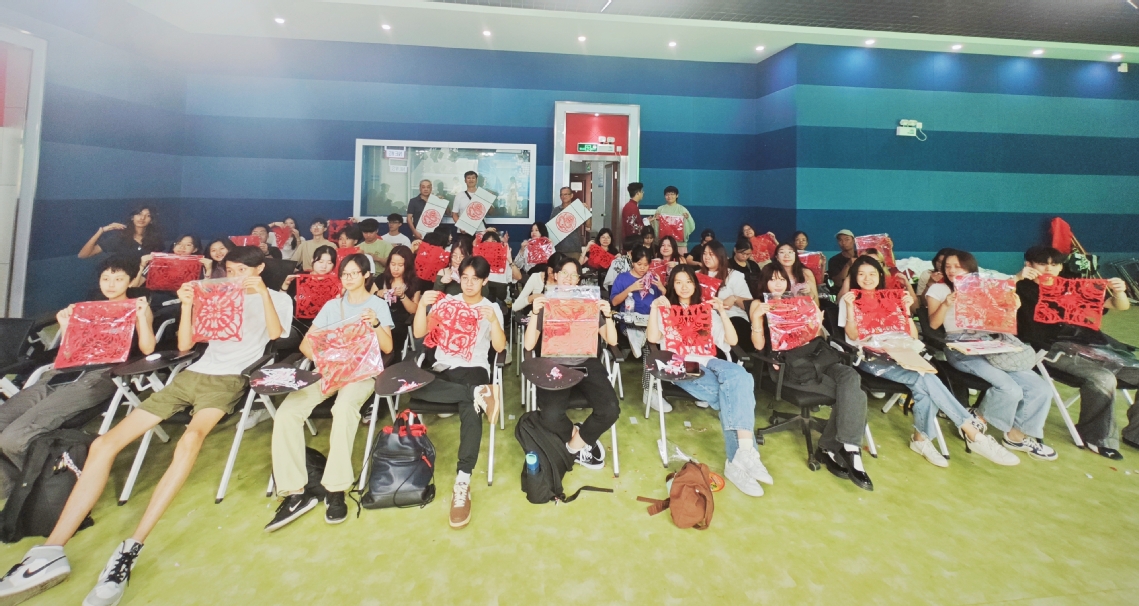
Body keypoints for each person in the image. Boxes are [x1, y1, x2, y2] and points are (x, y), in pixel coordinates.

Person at [0, 246, 292, 605]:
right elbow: (185, 344)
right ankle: (50, 550)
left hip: (228, 379)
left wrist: (262, 293)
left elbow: (277, 335)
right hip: (192, 374)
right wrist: (189, 305)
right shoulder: (217, 293)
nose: (233, 276)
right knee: (103, 444)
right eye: (229, 270)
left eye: (241, 270)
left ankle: (131, 547)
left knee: (190, 440)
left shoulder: (278, 298)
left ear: (259, 268)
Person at [838, 256, 1018, 468]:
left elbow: (912, 336)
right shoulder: (849, 299)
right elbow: (853, 335)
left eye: (872, 274)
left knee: (924, 384)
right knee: (924, 378)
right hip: (870, 356)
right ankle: (972, 433)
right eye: (861, 274)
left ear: (880, 276)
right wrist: (850, 307)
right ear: (855, 277)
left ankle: (922, 439)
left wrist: (905, 310)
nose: (867, 278)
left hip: (900, 352)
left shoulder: (890, 298)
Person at [0, 257, 156, 490]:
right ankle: (11, 486)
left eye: (118, 279)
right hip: (62, 374)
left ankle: (41, 490)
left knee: (13, 438)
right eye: (106, 278)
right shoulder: (88, 310)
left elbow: (148, 349)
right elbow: (70, 354)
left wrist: (142, 317)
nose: (111, 284)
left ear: (131, 280)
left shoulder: (138, 308)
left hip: (100, 375)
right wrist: (65, 327)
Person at [265, 254, 394, 531]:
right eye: (344, 274)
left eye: (354, 273)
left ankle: (336, 489)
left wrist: (374, 324)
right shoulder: (332, 306)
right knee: (287, 412)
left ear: (366, 275)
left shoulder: (377, 305)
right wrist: (328, 361)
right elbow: (306, 346)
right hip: (330, 371)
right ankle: (294, 491)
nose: (348, 278)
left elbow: (387, 348)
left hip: (361, 373)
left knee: (343, 409)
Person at [646, 265, 771, 496]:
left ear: (695, 285)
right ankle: (739, 460)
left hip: (710, 360)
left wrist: (721, 312)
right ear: (672, 285)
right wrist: (654, 309)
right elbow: (653, 338)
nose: (684, 287)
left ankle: (743, 456)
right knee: (733, 397)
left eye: (688, 281)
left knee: (741, 376)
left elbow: (732, 341)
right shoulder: (666, 309)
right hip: (682, 365)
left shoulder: (705, 310)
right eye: (678, 282)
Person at [926, 250, 1056, 461]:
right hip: (960, 345)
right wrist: (947, 304)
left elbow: (1002, 317)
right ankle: (977, 421)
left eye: (957, 266)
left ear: (970, 267)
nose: (951, 270)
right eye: (947, 266)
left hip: (990, 341)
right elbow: (933, 325)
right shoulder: (938, 289)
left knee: (1041, 388)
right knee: (1010, 388)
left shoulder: (985, 287)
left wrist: (1012, 308)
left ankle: (1016, 436)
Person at [750, 263, 871, 490]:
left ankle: (845, 447)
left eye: (781, 279)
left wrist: (816, 322)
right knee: (854, 395)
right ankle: (840, 450)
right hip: (789, 366)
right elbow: (758, 346)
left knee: (850, 377)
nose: (778, 284)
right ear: (764, 282)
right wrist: (757, 319)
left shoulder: (799, 302)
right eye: (772, 279)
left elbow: (813, 337)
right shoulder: (759, 304)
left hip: (816, 358)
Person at [1014, 246, 1136, 458]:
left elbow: (1120, 306)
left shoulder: (1073, 287)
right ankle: (1097, 438)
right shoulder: (1019, 288)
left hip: (1093, 346)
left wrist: (1119, 292)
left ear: (1061, 267)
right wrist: (1016, 277)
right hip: (1049, 349)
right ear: (1029, 265)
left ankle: (1135, 435)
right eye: (1042, 264)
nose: (1049, 269)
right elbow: (992, 297)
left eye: (1055, 264)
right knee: (1103, 378)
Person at [412, 257, 505, 529]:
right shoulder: (447, 302)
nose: (469, 283)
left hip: (473, 369)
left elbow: (500, 348)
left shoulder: (490, 308)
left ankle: (462, 481)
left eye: (475, 279)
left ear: (485, 281)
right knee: (415, 389)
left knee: (470, 411)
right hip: (442, 368)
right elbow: (420, 332)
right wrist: (422, 306)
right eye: (464, 277)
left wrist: (494, 322)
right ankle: (478, 394)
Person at [523, 257, 620, 469]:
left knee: (610, 409)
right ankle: (578, 435)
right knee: (550, 416)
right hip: (553, 365)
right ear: (556, 276)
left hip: (586, 362)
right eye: (564, 273)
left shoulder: (588, 304)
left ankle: (573, 447)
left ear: (578, 279)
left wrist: (607, 315)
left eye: (573, 274)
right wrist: (535, 313)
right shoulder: (546, 304)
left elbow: (612, 341)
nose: (568, 278)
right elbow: (529, 345)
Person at [372, 245, 423, 356]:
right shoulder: (381, 279)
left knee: (396, 333)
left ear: (407, 265)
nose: (395, 269)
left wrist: (403, 296)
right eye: (393, 264)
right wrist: (377, 293)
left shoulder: (414, 283)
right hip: (379, 319)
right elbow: (368, 301)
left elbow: (414, 310)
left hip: (400, 321)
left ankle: (392, 359)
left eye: (400, 265)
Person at [699, 240, 753, 346]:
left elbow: (749, 304)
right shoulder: (696, 275)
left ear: (720, 255)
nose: (707, 257)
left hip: (732, 316)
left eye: (711, 254)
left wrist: (735, 298)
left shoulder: (734, 275)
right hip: (705, 318)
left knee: (733, 328)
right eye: (704, 253)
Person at [78, 206, 164, 261]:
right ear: (132, 217)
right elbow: (83, 255)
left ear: (151, 220)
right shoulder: (119, 237)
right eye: (139, 214)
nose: (142, 218)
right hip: (123, 280)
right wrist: (101, 230)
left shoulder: (156, 240)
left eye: (148, 215)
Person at [650, 186, 695, 253]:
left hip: (679, 244)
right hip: (663, 244)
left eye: (672, 194)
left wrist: (687, 219)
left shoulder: (682, 210)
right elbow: (654, 227)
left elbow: (691, 226)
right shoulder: (660, 209)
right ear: (664, 196)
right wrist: (655, 220)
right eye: (667, 194)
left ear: (677, 195)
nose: (669, 196)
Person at [553, 187, 586, 259]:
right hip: (559, 248)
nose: (563, 196)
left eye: (566, 194)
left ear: (571, 195)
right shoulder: (555, 210)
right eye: (561, 194)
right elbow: (552, 229)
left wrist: (586, 211)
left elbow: (588, 225)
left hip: (574, 248)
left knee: (574, 266)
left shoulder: (577, 208)